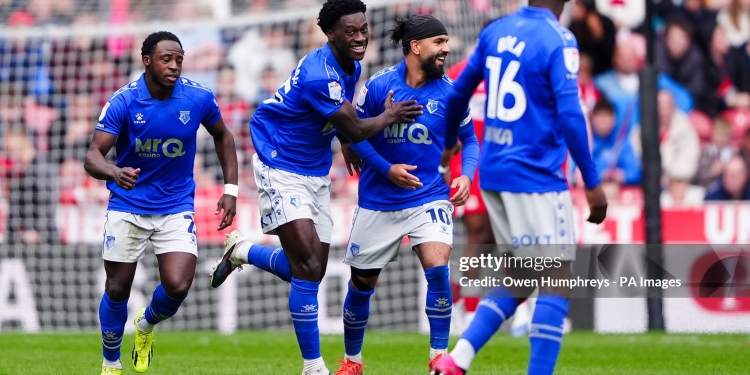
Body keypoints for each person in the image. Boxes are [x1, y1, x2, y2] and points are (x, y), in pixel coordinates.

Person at [208, 1, 422, 374]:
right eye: (350, 32)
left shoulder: (350, 66)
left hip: (315, 168)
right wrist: (387, 116)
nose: (360, 37)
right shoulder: (318, 73)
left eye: (363, 29)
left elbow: (344, 120)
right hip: (279, 161)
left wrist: (345, 142)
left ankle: (242, 251)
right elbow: (355, 124)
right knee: (307, 267)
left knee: (307, 269)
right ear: (330, 34)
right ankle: (313, 366)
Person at [430, 0, 608, 374]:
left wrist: (448, 148)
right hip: (536, 174)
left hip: (493, 173)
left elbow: (458, 93)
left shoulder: (495, 31)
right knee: (558, 276)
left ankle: (455, 361)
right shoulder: (559, 38)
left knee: (521, 276)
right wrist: (591, 181)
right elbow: (571, 112)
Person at [331, 15, 479, 375]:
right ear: (416, 47)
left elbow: (470, 140)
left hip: (429, 196)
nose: (446, 49)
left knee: (438, 271)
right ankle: (353, 362)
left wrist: (466, 176)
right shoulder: (379, 86)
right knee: (361, 285)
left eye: (447, 42)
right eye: (439, 42)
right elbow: (353, 136)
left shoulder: (451, 92)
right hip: (378, 200)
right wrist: (387, 169)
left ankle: (438, 358)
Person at [84, 31, 239, 375]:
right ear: (147, 60)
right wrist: (113, 171)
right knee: (117, 287)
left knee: (178, 285)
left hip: (175, 205)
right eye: (166, 59)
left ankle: (145, 325)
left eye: (179, 59)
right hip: (127, 205)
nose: (173, 65)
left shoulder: (198, 97)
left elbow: (223, 135)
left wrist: (231, 188)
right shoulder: (124, 101)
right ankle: (111, 362)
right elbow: (93, 155)